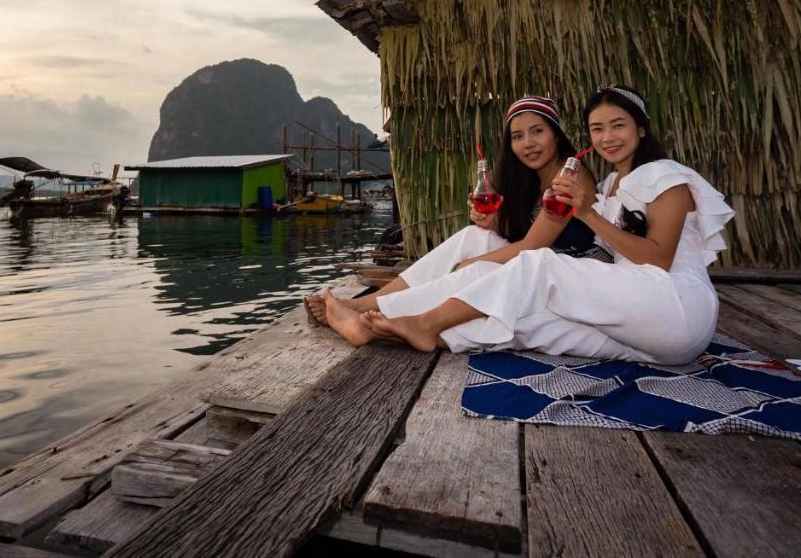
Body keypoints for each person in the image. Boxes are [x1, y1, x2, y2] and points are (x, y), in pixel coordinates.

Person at [321, 85, 735, 365]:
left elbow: (658, 260)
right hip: (647, 327)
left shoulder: (666, 177)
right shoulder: (613, 186)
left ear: (641, 128)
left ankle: (423, 323)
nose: (608, 137)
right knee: (526, 321)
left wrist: (586, 212)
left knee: (535, 264)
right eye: (597, 128)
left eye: (618, 125)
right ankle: (381, 328)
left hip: (676, 308)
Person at [305, 95, 600, 326]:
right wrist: (493, 225)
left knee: (477, 268)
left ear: (557, 135)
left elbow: (534, 245)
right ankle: (375, 301)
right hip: (536, 264)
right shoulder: (529, 179)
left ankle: (373, 310)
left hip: (568, 274)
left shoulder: (570, 176)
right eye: (518, 136)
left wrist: (469, 264)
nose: (528, 143)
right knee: (472, 235)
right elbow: (523, 239)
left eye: (538, 132)